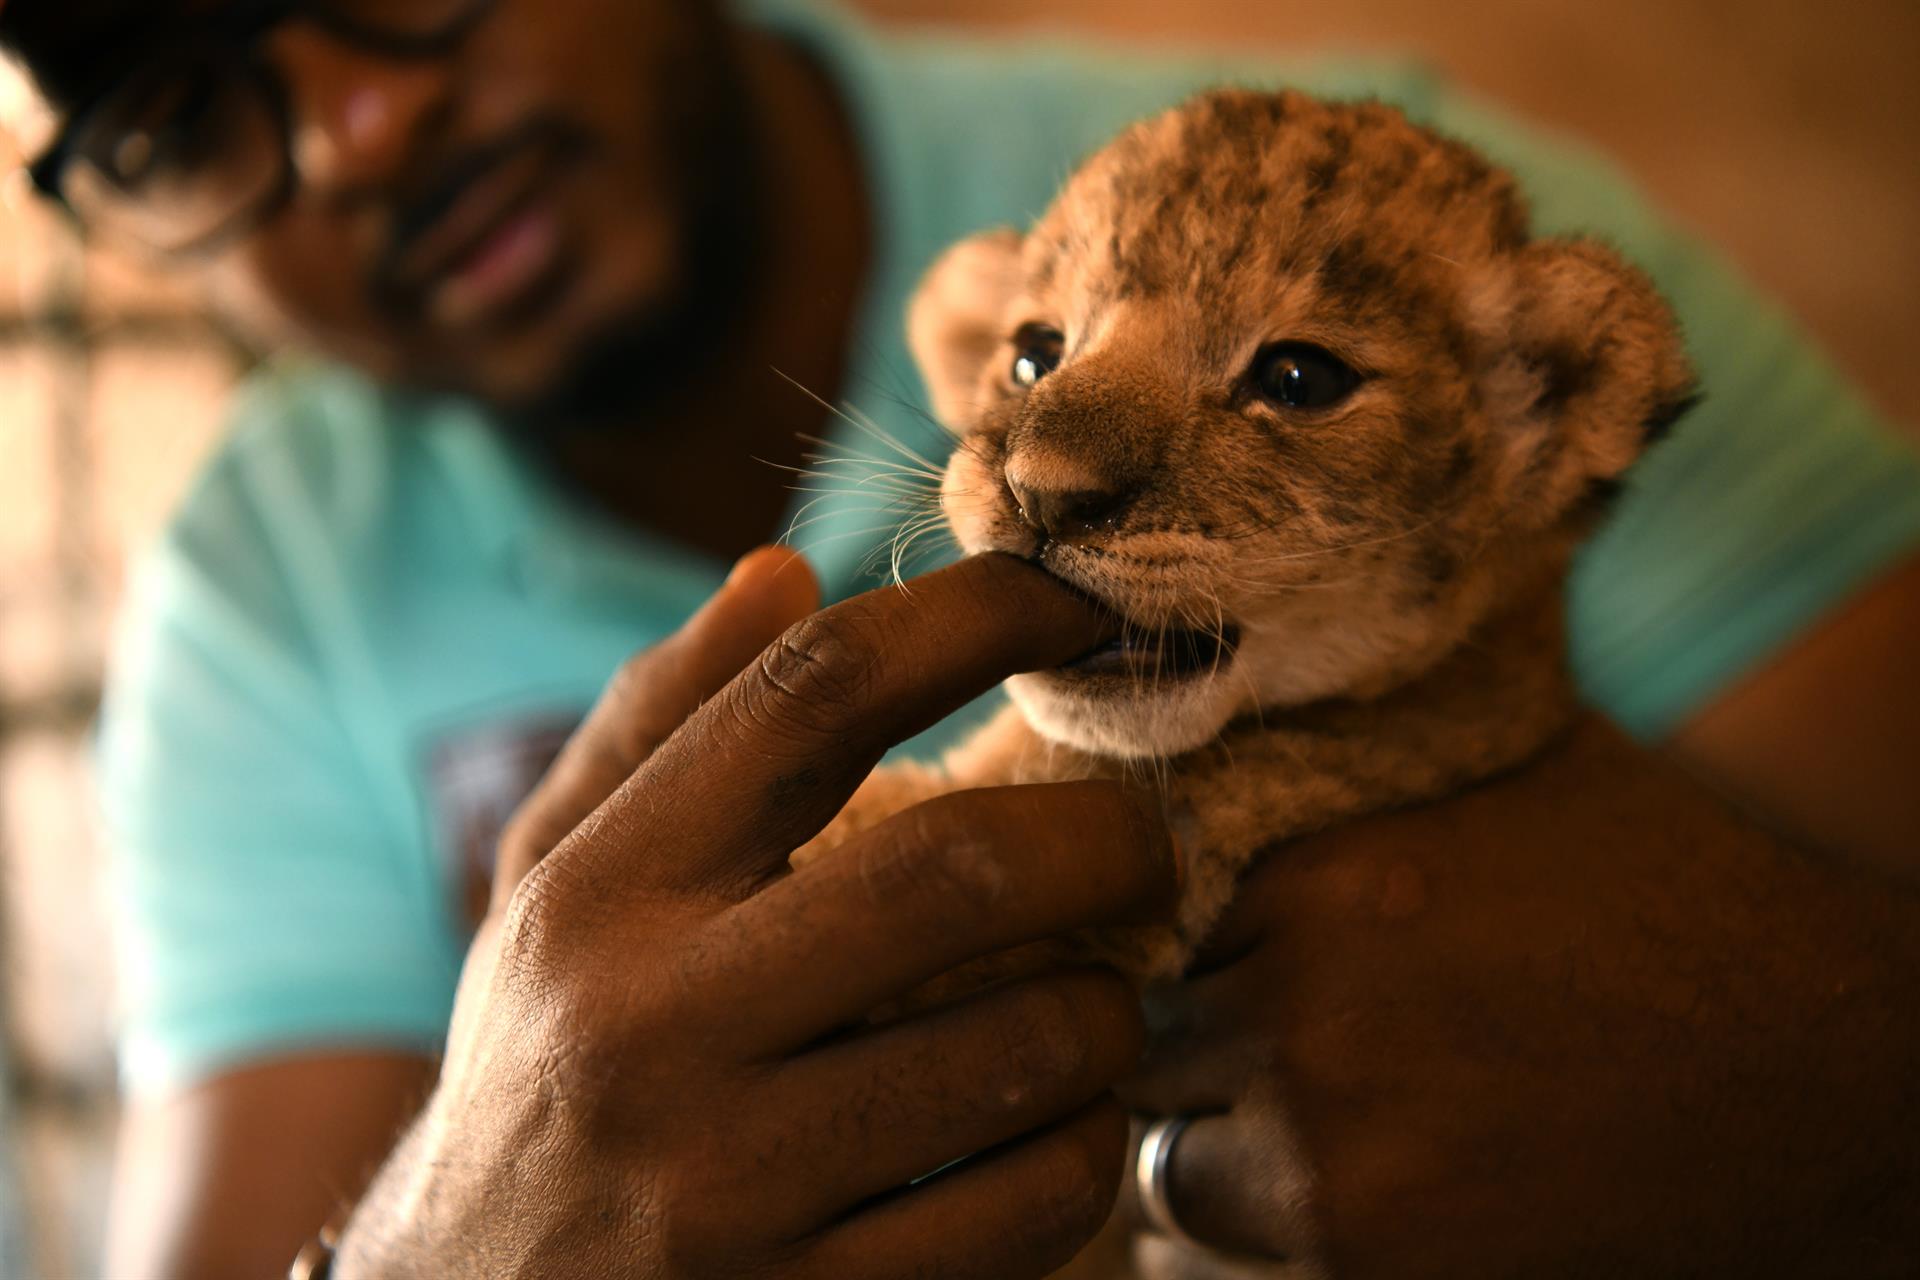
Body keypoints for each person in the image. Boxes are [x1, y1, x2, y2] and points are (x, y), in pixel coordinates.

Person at [3, 0, 1915, 1275]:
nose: (351, 126)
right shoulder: (253, 575)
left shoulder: (1414, 211)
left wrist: (1839, 1085)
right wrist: (453, 1234)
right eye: (179, 109)